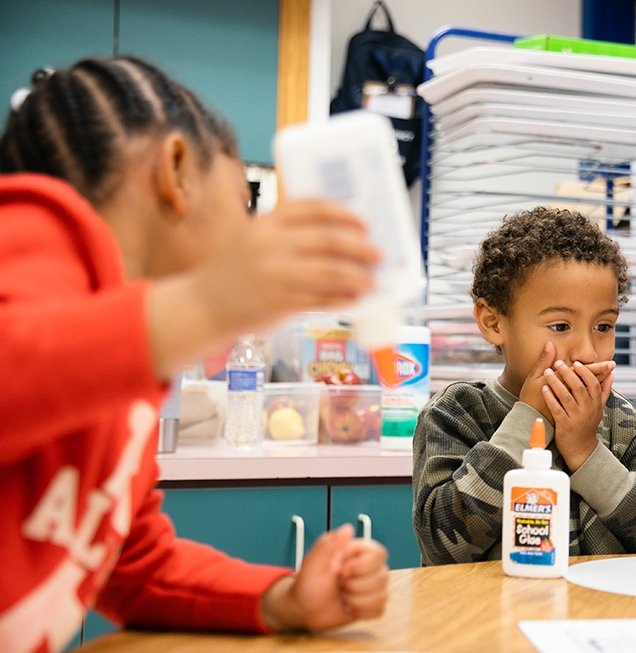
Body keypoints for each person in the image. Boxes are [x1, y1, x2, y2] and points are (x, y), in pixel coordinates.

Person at [0, 57, 390, 652]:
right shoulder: (28, 229)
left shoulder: (118, 371)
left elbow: (136, 564)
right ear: (177, 170)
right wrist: (206, 305)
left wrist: (282, 599)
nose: (248, 230)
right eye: (243, 200)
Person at [412, 207, 636, 564]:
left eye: (603, 327)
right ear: (493, 322)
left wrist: (587, 451)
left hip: (598, 617)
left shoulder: (623, 424)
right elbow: (444, 545)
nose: (587, 352)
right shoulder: (456, 414)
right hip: (491, 616)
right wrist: (527, 421)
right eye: (560, 327)